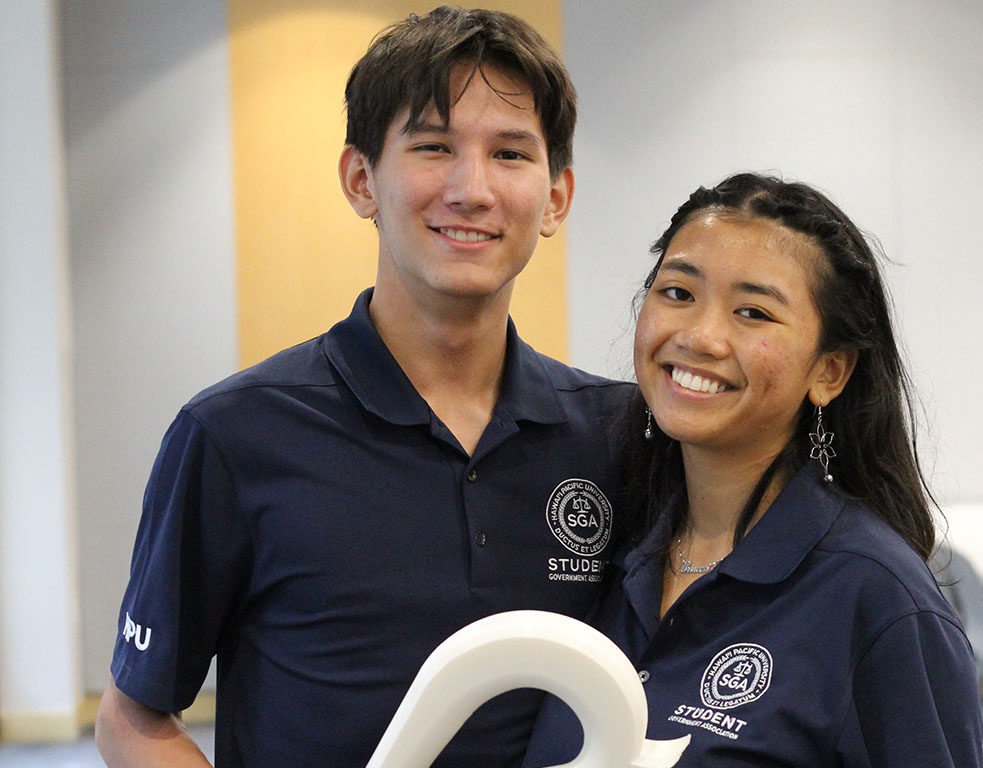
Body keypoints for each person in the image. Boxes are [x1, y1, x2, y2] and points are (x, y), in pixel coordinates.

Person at [95, 7, 631, 767]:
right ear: (360, 179)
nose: (472, 189)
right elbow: (132, 718)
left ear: (556, 198)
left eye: (510, 154)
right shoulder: (235, 434)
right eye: (434, 146)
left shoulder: (617, 435)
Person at [524, 173, 983, 767]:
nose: (700, 336)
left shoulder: (877, 599)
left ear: (831, 373)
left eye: (752, 312)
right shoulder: (611, 549)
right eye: (679, 294)